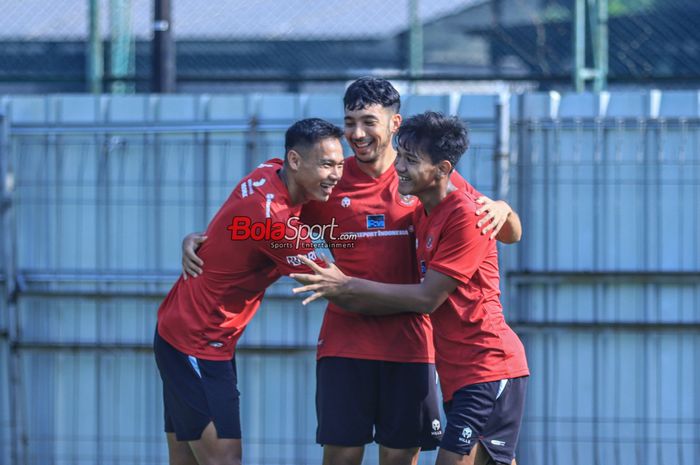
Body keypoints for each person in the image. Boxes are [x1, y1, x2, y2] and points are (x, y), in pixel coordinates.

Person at [181, 78, 522, 465]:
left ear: (395, 124)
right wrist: (206, 237)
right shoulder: (329, 179)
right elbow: (265, 215)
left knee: (399, 457)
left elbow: (490, 224)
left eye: (368, 121)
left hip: (412, 346)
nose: (357, 134)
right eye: (349, 121)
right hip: (346, 342)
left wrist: (503, 208)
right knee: (341, 456)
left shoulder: (420, 176)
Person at [291, 111, 529, 465]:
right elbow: (277, 212)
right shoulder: (423, 211)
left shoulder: (466, 214)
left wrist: (345, 286)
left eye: (410, 160)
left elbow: (426, 298)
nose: (398, 166)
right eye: (400, 155)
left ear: (442, 169)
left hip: (489, 366)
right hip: (458, 372)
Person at [154, 118, 345, 465]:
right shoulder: (276, 223)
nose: (336, 174)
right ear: (295, 161)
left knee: (185, 460)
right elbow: (337, 286)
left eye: (340, 164)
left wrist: (196, 237)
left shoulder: (268, 170)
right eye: (327, 165)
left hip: (184, 331)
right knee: (225, 459)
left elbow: (230, 228)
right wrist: (415, 296)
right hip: (196, 343)